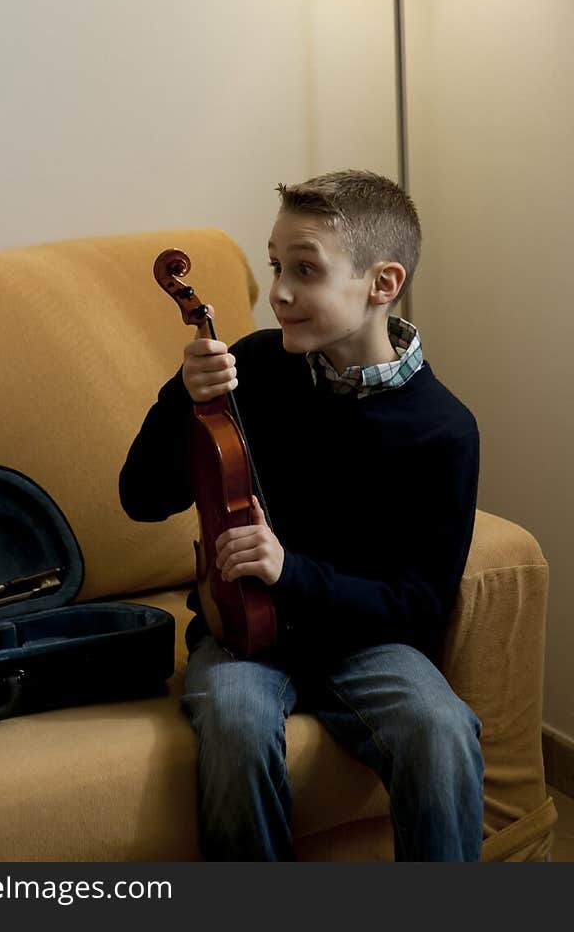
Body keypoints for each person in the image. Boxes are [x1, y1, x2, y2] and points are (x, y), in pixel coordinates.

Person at [119, 170, 483, 861]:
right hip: (242, 633)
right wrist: (181, 396)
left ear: (382, 284)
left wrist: (292, 571)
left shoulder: (444, 430)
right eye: (276, 265)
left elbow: (421, 603)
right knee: (235, 720)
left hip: (367, 641)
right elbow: (141, 498)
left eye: (306, 270)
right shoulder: (254, 365)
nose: (280, 291)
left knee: (440, 729)